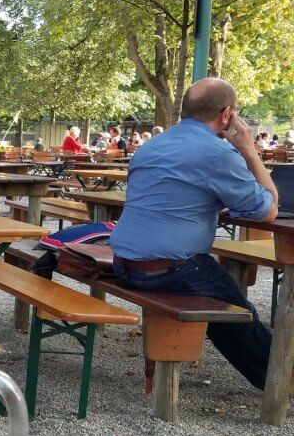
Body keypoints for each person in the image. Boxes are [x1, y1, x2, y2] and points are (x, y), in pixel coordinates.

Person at [110, 77, 277, 390]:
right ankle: (278, 381)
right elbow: (266, 210)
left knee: (220, 290)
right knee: (238, 311)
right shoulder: (218, 152)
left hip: (124, 264)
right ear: (227, 115)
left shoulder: (152, 145)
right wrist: (249, 152)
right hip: (168, 270)